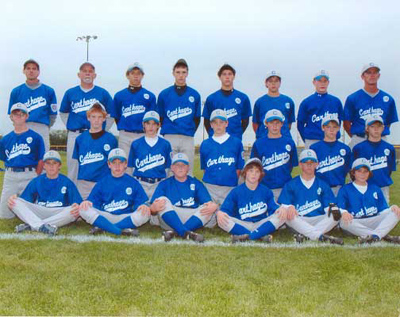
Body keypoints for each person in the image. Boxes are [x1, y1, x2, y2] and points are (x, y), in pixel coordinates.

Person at [60, 62, 114, 183]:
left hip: (97, 135)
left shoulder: (102, 93)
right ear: (79, 74)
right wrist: (72, 126)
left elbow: (111, 115)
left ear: (95, 75)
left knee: (96, 164)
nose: (87, 73)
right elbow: (63, 113)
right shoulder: (70, 93)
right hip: (76, 134)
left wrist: (102, 129)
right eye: (84, 71)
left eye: (90, 71)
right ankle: (73, 197)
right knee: (73, 167)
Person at [7, 150, 82, 236]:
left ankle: (32, 225)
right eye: (48, 163)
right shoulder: (36, 181)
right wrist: (15, 197)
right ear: (44, 166)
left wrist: (77, 206)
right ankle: (41, 225)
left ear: (59, 166)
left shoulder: (67, 182)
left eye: (54, 163)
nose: (51, 166)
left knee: (74, 211)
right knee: (14, 202)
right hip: (40, 210)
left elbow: (77, 202)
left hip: (58, 212)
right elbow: (25, 201)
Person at [278, 149, 343, 244]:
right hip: (299, 219)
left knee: (335, 214)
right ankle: (320, 236)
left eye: (312, 162)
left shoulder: (323, 184)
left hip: (318, 219)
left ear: (317, 164)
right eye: (306, 162)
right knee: (287, 215)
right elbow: (284, 205)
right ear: (300, 165)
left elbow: (328, 208)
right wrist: (288, 207)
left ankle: (305, 236)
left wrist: (334, 211)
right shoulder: (291, 184)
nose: (309, 165)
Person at [79, 148, 150, 236]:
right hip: (106, 216)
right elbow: (92, 202)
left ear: (125, 164)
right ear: (109, 164)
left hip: (125, 217)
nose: (117, 166)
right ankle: (119, 231)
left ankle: (104, 228)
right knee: (83, 208)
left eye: (120, 162)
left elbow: (142, 202)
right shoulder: (102, 182)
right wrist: (86, 202)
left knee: (146, 213)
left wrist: (144, 205)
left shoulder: (133, 182)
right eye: (114, 163)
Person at [150, 153, 218, 242]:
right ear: (172, 168)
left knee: (208, 208)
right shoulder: (164, 184)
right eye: (177, 165)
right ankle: (186, 232)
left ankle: (174, 233)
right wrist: (153, 208)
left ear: (188, 168)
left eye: (183, 165)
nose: (180, 167)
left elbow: (208, 202)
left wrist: (213, 206)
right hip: (170, 219)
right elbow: (152, 209)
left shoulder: (195, 183)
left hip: (191, 217)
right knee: (162, 200)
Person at [216, 158, 287, 243]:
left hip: (260, 224)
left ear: (261, 174)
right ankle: (259, 236)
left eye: (257, 172)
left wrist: (280, 209)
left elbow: (273, 208)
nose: (254, 174)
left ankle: (249, 236)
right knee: (221, 218)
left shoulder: (266, 191)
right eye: (251, 171)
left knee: (282, 215)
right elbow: (225, 210)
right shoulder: (236, 191)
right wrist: (219, 213)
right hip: (242, 223)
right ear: (245, 172)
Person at [337, 158, 400, 244]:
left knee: (395, 213)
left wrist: (392, 208)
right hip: (356, 221)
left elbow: (383, 210)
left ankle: (374, 236)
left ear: (369, 173)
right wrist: (344, 212)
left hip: (373, 220)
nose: (362, 174)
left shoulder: (375, 188)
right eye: (359, 171)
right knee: (343, 222)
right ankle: (381, 236)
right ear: (353, 173)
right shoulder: (345, 189)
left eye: (365, 171)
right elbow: (339, 208)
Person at [0, 103, 45, 219]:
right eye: (16, 114)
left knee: (33, 213)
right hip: (11, 176)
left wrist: (36, 176)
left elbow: (40, 160)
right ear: (11, 117)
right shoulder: (5, 139)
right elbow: (5, 158)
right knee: (4, 215)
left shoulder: (36, 137)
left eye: (22, 114)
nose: (19, 116)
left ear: (27, 116)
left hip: (29, 174)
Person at [157, 58, 201, 175]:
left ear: (187, 73)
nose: (181, 75)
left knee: (188, 169)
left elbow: (196, 119)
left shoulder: (194, 94)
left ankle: (188, 193)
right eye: (178, 72)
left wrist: (188, 130)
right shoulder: (164, 94)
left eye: (183, 72)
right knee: (169, 170)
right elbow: (160, 117)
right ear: (173, 73)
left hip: (187, 136)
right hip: (170, 136)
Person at [113, 62, 157, 173]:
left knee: (142, 165)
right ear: (128, 75)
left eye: (138, 73)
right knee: (124, 166)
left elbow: (153, 119)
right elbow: (117, 116)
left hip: (142, 134)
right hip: (125, 135)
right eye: (133, 73)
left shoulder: (149, 96)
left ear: (142, 75)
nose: (136, 76)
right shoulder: (119, 95)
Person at [344, 63, 398, 149]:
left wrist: (377, 134)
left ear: (378, 75)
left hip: (381, 139)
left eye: (374, 72)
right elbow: (346, 123)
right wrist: (357, 137)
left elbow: (388, 122)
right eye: (368, 72)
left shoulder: (388, 99)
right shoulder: (353, 98)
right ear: (362, 76)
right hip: (359, 139)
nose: (372, 75)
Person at [8, 59, 57, 152]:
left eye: (34, 69)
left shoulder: (49, 90)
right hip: (23, 125)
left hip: (42, 126)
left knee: (43, 157)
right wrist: (19, 125)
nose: (31, 71)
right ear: (24, 71)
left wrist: (46, 126)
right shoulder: (16, 91)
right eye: (28, 68)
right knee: (23, 155)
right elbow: (11, 114)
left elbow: (53, 115)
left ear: (38, 72)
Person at [72, 103, 118, 199]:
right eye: (93, 117)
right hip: (84, 183)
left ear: (104, 119)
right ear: (88, 118)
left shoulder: (111, 139)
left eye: (100, 117)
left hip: (103, 182)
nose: (96, 120)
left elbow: (114, 164)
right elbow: (76, 164)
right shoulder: (80, 139)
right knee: (82, 211)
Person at [199, 109, 245, 206]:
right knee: (207, 217)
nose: (218, 125)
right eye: (215, 122)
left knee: (227, 218)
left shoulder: (236, 143)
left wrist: (231, 181)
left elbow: (238, 168)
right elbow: (205, 169)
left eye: (221, 122)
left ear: (226, 123)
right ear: (211, 125)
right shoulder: (205, 144)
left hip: (229, 187)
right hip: (210, 187)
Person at [251, 109, 298, 200]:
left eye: (277, 122)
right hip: (265, 187)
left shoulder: (289, 142)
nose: (275, 126)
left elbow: (291, 166)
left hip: (285, 187)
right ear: (266, 123)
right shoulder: (259, 143)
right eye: (272, 122)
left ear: (282, 124)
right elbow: (255, 167)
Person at [128, 111, 172, 200]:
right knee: (141, 211)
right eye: (148, 123)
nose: (151, 127)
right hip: (140, 183)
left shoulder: (165, 144)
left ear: (158, 125)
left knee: (158, 211)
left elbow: (168, 168)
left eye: (154, 124)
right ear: (143, 124)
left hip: (158, 184)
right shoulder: (136, 144)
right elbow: (130, 167)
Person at [352, 115, 396, 203]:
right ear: (367, 128)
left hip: (382, 187)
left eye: (379, 126)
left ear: (383, 128)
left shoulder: (389, 148)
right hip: (364, 186)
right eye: (372, 126)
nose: (376, 129)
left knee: (384, 214)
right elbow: (353, 171)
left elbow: (389, 170)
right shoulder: (358, 148)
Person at [202, 64, 252, 141]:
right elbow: (206, 121)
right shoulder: (211, 98)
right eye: (224, 74)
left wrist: (237, 134)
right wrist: (214, 135)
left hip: (235, 139)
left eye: (230, 74)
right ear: (220, 77)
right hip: (216, 139)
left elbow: (245, 121)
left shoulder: (243, 97)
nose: (227, 77)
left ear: (234, 76)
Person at [297, 70, 343, 148]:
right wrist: (307, 139)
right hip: (313, 140)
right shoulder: (307, 102)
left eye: (325, 81)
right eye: (319, 81)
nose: (322, 84)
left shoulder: (336, 101)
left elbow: (339, 121)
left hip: (332, 140)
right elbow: (300, 124)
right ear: (314, 82)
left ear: (328, 82)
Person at [310, 115, 352, 196]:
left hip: (339, 188)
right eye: (328, 127)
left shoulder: (345, 149)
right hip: (319, 188)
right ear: (323, 128)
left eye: (334, 127)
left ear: (338, 128)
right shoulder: (314, 148)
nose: (331, 130)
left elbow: (347, 169)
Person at [252, 71, 295, 139]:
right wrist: (262, 135)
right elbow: (255, 124)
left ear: (280, 83)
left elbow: (289, 124)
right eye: (270, 81)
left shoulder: (288, 101)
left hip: (284, 139)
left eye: (276, 81)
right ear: (266, 83)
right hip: (264, 139)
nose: (273, 83)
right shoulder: (260, 102)